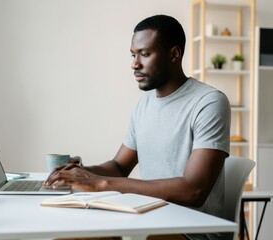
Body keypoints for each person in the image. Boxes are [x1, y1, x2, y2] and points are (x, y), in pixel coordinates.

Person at [45, 14, 231, 240]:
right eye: (133, 55)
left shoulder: (209, 102)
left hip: (192, 232)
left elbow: (194, 190)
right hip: (148, 218)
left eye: (145, 54)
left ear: (174, 54)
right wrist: (82, 172)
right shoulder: (144, 105)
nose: (135, 64)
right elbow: (119, 166)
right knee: (69, 235)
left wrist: (102, 183)